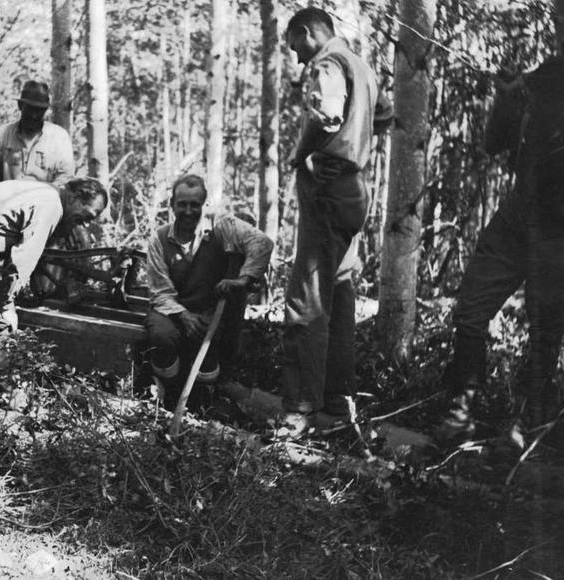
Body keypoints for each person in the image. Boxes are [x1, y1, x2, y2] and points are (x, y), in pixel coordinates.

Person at [438, 56, 564, 441]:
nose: (535, 102)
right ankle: (461, 410)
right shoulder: (528, 109)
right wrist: (503, 100)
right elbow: (492, 144)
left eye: (543, 96)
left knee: (547, 331)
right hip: (513, 225)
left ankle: (526, 420)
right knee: (471, 311)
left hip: (563, 237)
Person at [279, 8, 393, 434]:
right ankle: (337, 402)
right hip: (353, 190)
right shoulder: (361, 65)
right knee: (340, 294)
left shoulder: (328, 63)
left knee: (306, 299)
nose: (297, 57)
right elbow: (384, 116)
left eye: (296, 46)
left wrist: (302, 153)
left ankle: (299, 410)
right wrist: (354, 140)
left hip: (328, 188)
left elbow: (326, 114)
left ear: (308, 32)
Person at [145, 174, 274, 410]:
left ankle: (203, 399)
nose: (188, 211)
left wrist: (243, 280)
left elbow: (262, 243)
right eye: (182, 204)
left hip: (208, 311)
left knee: (208, 350)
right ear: (172, 205)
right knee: (161, 336)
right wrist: (183, 315)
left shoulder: (224, 229)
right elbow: (160, 290)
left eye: (194, 205)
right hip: (170, 309)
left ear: (204, 204)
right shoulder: (160, 239)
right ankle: (168, 394)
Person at [0, 178, 108, 344]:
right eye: (88, 216)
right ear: (75, 197)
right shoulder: (52, 205)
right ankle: (5, 365)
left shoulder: (45, 191)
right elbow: (24, 257)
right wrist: (8, 305)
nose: (85, 224)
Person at [0, 80, 75, 188]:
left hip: (46, 197)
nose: (34, 115)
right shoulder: (1, 136)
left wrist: (46, 194)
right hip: (8, 197)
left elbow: (65, 179)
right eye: (30, 109)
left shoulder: (59, 138)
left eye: (39, 110)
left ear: (45, 110)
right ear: (20, 105)